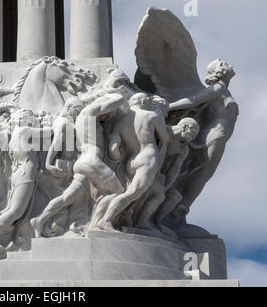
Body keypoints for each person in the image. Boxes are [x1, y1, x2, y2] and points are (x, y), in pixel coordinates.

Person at [32, 91, 127, 237]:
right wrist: (107, 93)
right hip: (91, 161)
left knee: (67, 198)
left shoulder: (81, 122)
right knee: (118, 192)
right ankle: (100, 223)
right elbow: (119, 98)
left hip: (82, 163)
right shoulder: (89, 112)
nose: (108, 115)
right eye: (109, 113)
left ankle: (39, 220)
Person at [169, 59, 238, 212]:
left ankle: (182, 203)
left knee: (206, 170)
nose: (230, 64)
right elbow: (193, 101)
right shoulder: (217, 89)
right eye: (224, 63)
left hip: (220, 135)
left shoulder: (223, 90)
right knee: (205, 169)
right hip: (215, 134)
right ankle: (182, 205)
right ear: (220, 71)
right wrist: (168, 107)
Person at [95, 93, 170, 232]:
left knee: (158, 193)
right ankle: (106, 219)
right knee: (132, 193)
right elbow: (164, 138)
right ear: (143, 101)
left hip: (131, 161)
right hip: (148, 156)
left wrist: (117, 157)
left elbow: (113, 148)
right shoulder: (151, 116)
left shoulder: (120, 122)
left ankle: (141, 221)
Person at [0, 110, 51, 258]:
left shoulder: (15, 134)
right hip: (26, 174)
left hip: (22, 173)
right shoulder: (24, 130)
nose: (34, 118)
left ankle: (10, 241)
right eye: (31, 116)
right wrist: (45, 120)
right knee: (14, 212)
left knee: (18, 213)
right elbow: (49, 132)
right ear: (22, 119)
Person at [135, 118, 200, 230]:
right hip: (144, 167)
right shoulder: (164, 130)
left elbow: (175, 168)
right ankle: (141, 221)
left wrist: (167, 185)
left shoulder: (184, 148)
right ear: (185, 127)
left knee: (175, 196)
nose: (193, 137)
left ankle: (156, 222)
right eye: (193, 133)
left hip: (160, 174)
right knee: (158, 194)